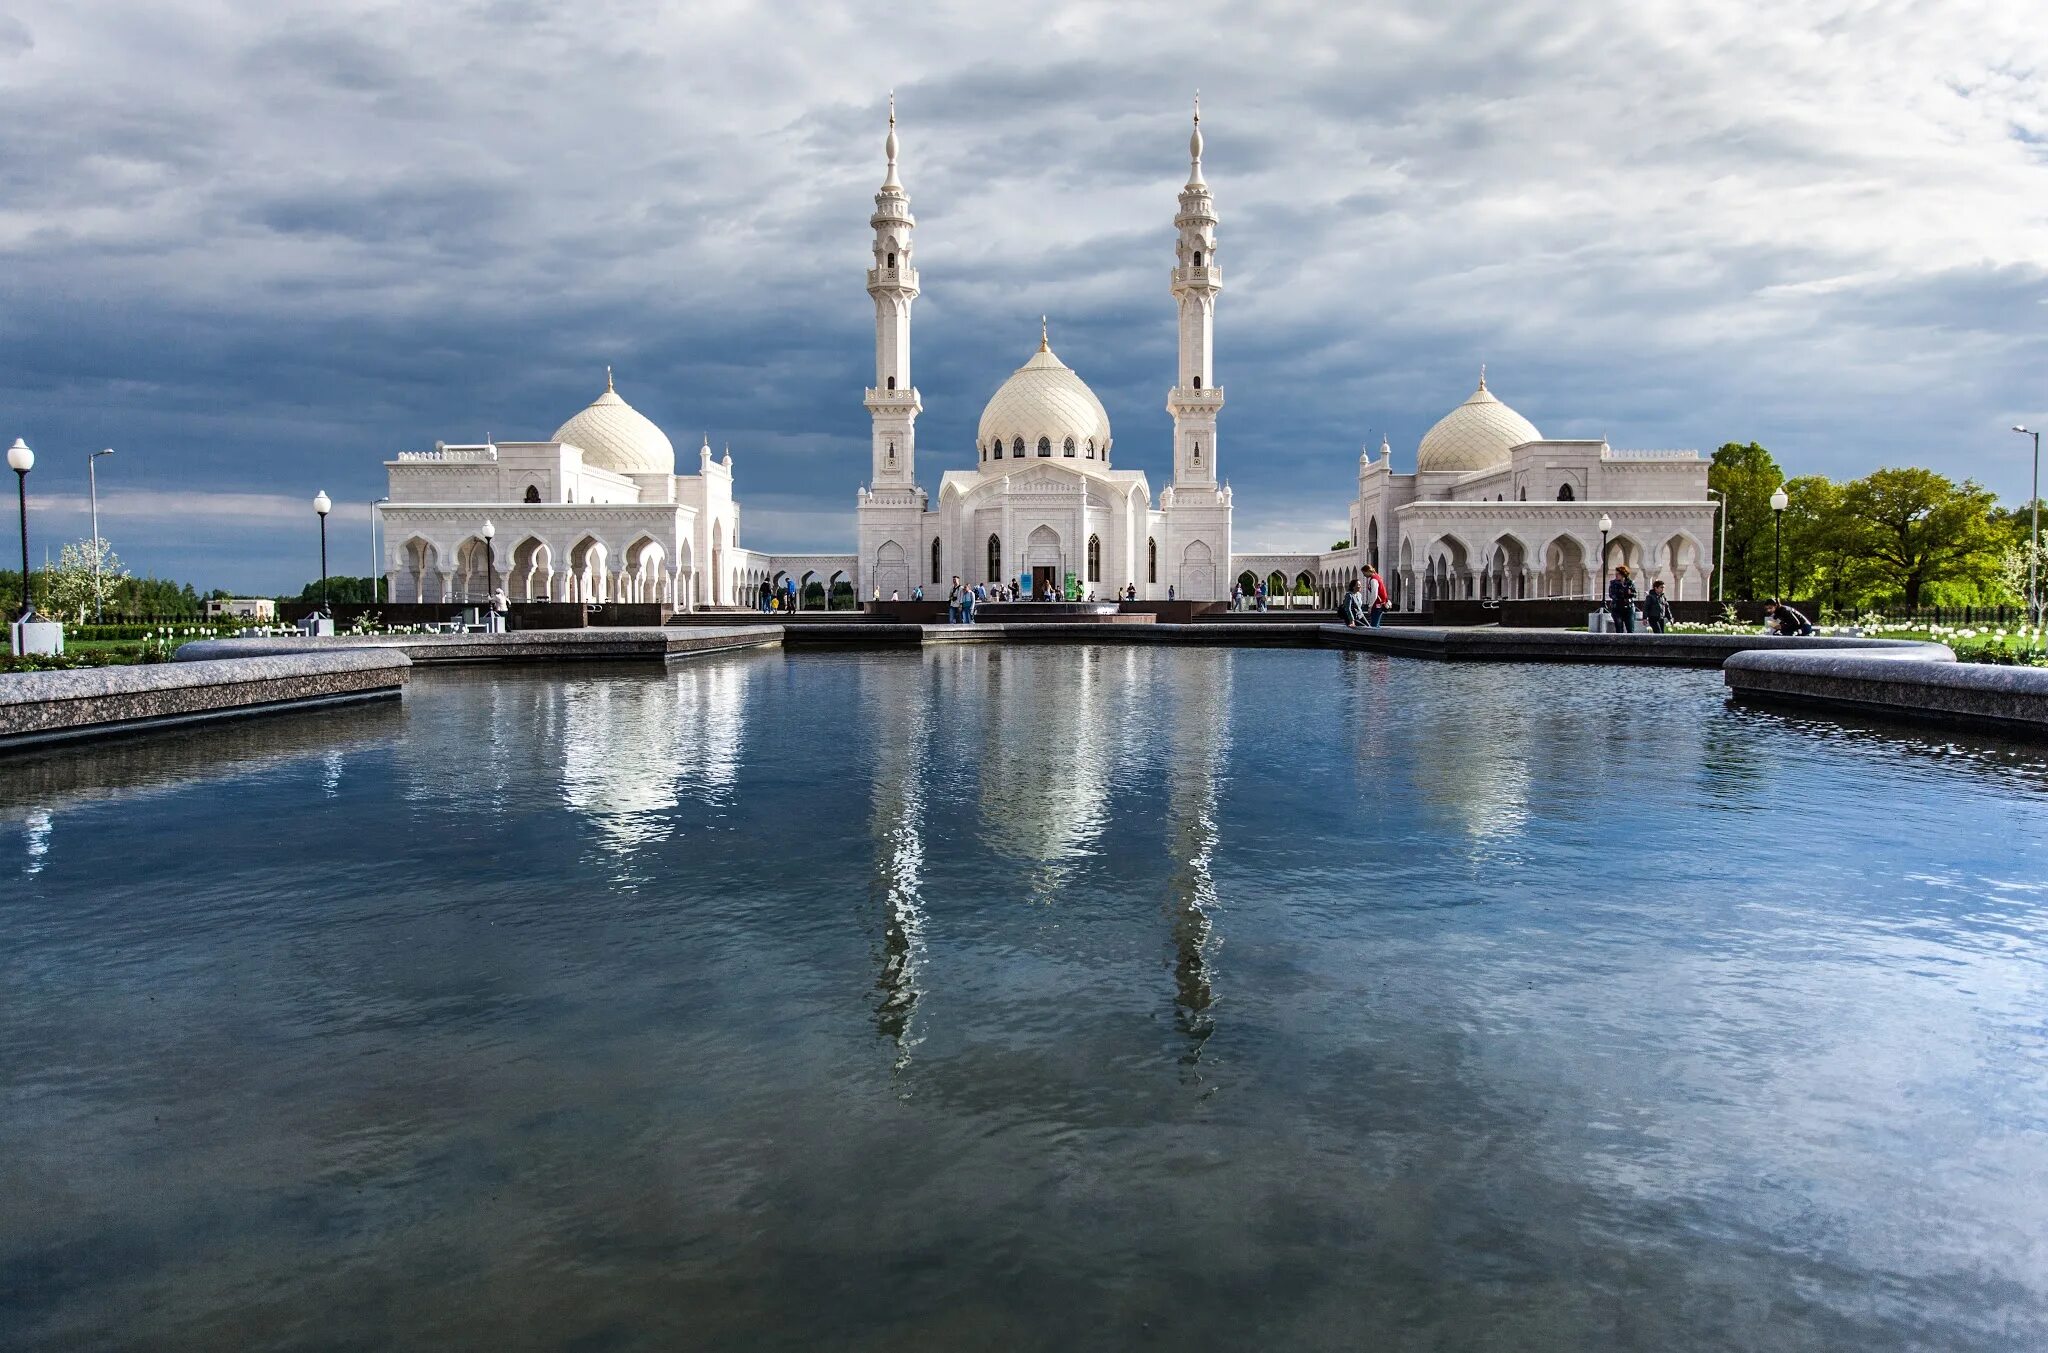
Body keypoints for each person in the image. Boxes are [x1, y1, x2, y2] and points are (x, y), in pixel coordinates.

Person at [1605, 564, 1638, 633]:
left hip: (1628, 607)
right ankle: (1620, 643)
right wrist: (1623, 593)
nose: (1616, 575)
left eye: (1618, 574)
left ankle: (1631, 642)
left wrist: (1630, 593)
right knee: (1619, 628)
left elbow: (1634, 594)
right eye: (1616, 574)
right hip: (1617, 607)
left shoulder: (1630, 583)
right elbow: (1612, 594)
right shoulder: (1613, 583)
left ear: (1623, 574)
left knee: (1630, 628)